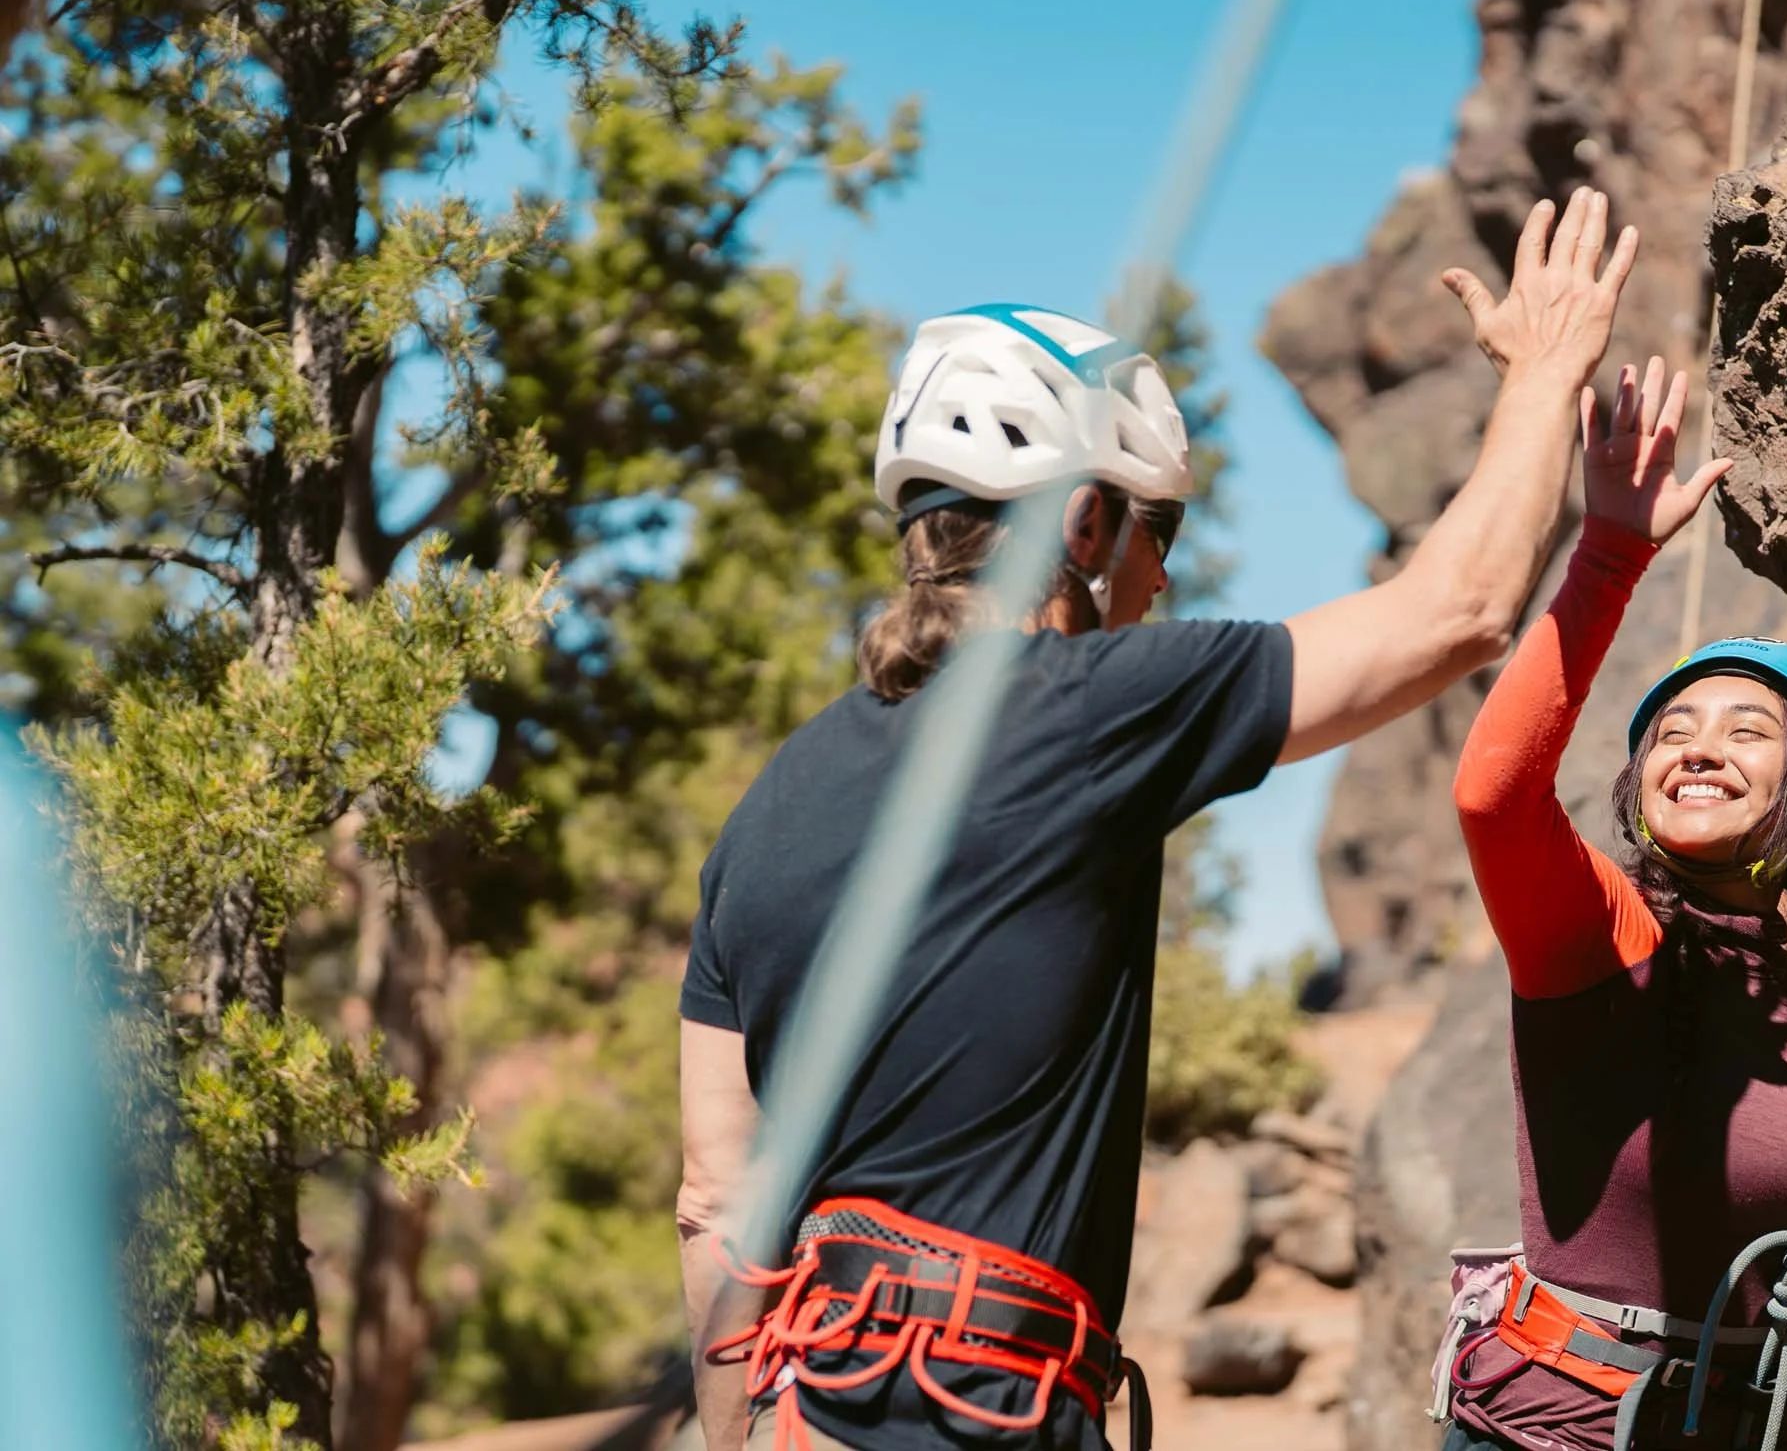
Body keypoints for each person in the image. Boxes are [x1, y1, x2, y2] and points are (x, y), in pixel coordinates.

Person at [676, 187, 1642, 1451]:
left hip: (806, 1410)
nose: (1164, 572)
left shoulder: (767, 809)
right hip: (989, 1412)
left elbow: (714, 1197)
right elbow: (1453, 613)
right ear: (1082, 519)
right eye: (1156, 524)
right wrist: (1549, 373)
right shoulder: (1083, 705)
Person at [1441, 360, 1787, 1451]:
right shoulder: (1608, 934)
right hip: (1561, 1430)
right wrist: (1611, 553)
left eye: (1748, 731)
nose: (1697, 746)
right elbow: (1494, 796)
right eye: (1675, 730)